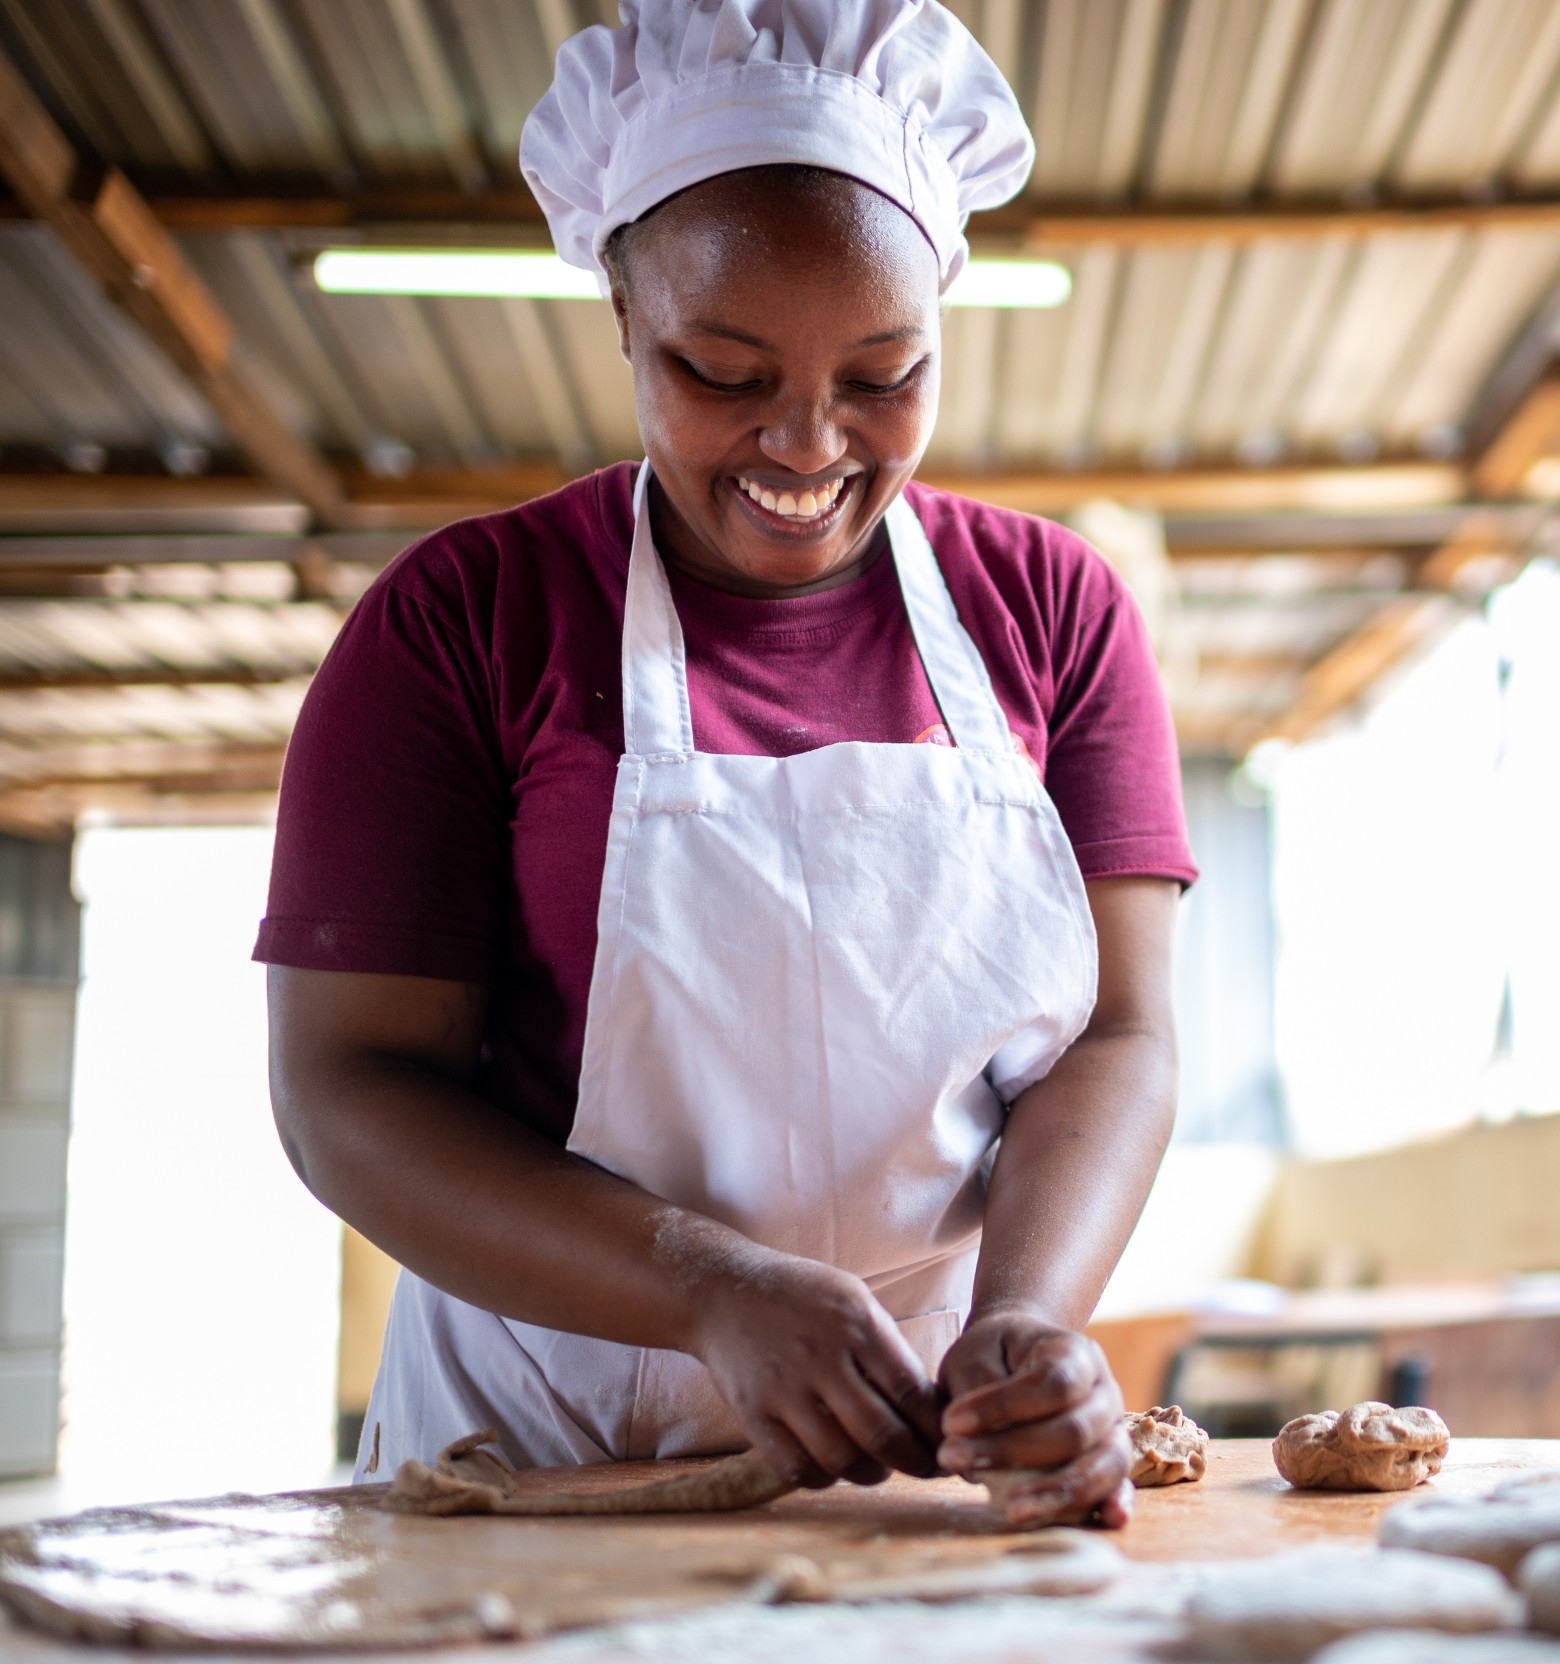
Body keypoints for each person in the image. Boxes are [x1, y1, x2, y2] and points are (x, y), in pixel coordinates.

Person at [259, 0, 1191, 1529]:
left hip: (927, 1447)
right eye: (724, 371)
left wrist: (1028, 1321)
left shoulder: (1055, 612)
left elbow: (1123, 1035)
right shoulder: (464, 622)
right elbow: (345, 1090)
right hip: (545, 1451)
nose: (812, 445)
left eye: (885, 373)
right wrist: (709, 1291)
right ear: (623, 314)